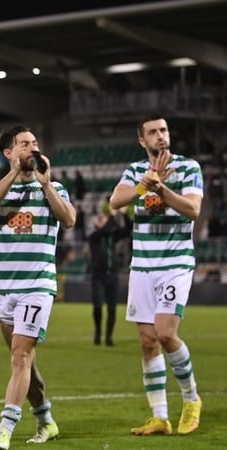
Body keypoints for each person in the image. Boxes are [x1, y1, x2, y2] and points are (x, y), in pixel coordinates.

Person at [0, 125, 76, 449]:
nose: (32, 148)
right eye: (24, 144)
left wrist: (46, 185)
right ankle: (46, 421)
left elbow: (70, 218)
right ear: (8, 152)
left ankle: (4, 429)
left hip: (37, 285)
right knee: (25, 364)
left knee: (21, 356)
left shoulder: (53, 187)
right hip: (3, 287)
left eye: (34, 143)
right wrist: (15, 174)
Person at [109, 114, 203, 437]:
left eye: (163, 130)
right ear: (142, 140)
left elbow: (193, 210)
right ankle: (160, 417)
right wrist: (144, 184)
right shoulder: (136, 171)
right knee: (148, 342)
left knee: (165, 332)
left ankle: (191, 399)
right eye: (153, 132)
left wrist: (162, 189)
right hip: (142, 267)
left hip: (175, 263)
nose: (161, 136)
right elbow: (115, 202)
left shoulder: (189, 168)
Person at [87, 206, 132, 346]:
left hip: (112, 275)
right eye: (101, 220)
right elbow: (105, 230)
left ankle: (108, 337)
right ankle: (98, 332)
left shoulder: (112, 236)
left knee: (112, 308)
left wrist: (124, 214)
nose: (104, 222)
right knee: (98, 306)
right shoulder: (94, 236)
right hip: (98, 275)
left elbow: (128, 229)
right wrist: (113, 215)